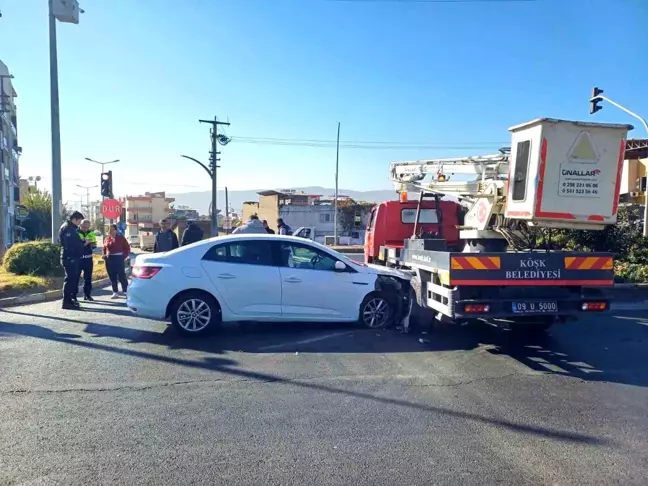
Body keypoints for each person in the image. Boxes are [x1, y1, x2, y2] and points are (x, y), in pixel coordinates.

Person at [59, 211, 88, 309]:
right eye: (79, 221)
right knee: (70, 279)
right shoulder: (68, 228)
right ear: (74, 219)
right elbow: (71, 244)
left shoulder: (70, 228)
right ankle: (66, 302)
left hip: (71, 257)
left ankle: (69, 300)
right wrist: (83, 244)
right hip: (70, 257)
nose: (79, 224)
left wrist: (82, 242)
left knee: (72, 279)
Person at [103, 224, 130, 299]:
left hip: (119, 258)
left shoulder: (121, 238)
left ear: (116, 230)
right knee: (112, 276)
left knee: (121, 275)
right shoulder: (106, 239)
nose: (111, 231)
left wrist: (123, 257)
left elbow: (127, 248)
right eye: (109, 230)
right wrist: (104, 255)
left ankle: (126, 291)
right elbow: (104, 249)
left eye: (113, 229)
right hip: (109, 259)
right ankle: (115, 292)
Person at [77, 219, 97, 301]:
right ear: (80, 225)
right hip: (79, 259)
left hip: (88, 258)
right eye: (84, 227)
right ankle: (74, 295)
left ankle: (87, 295)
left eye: (87, 227)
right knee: (76, 278)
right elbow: (78, 245)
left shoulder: (91, 233)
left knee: (88, 278)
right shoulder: (76, 232)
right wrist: (86, 242)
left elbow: (94, 244)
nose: (85, 229)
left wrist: (90, 243)